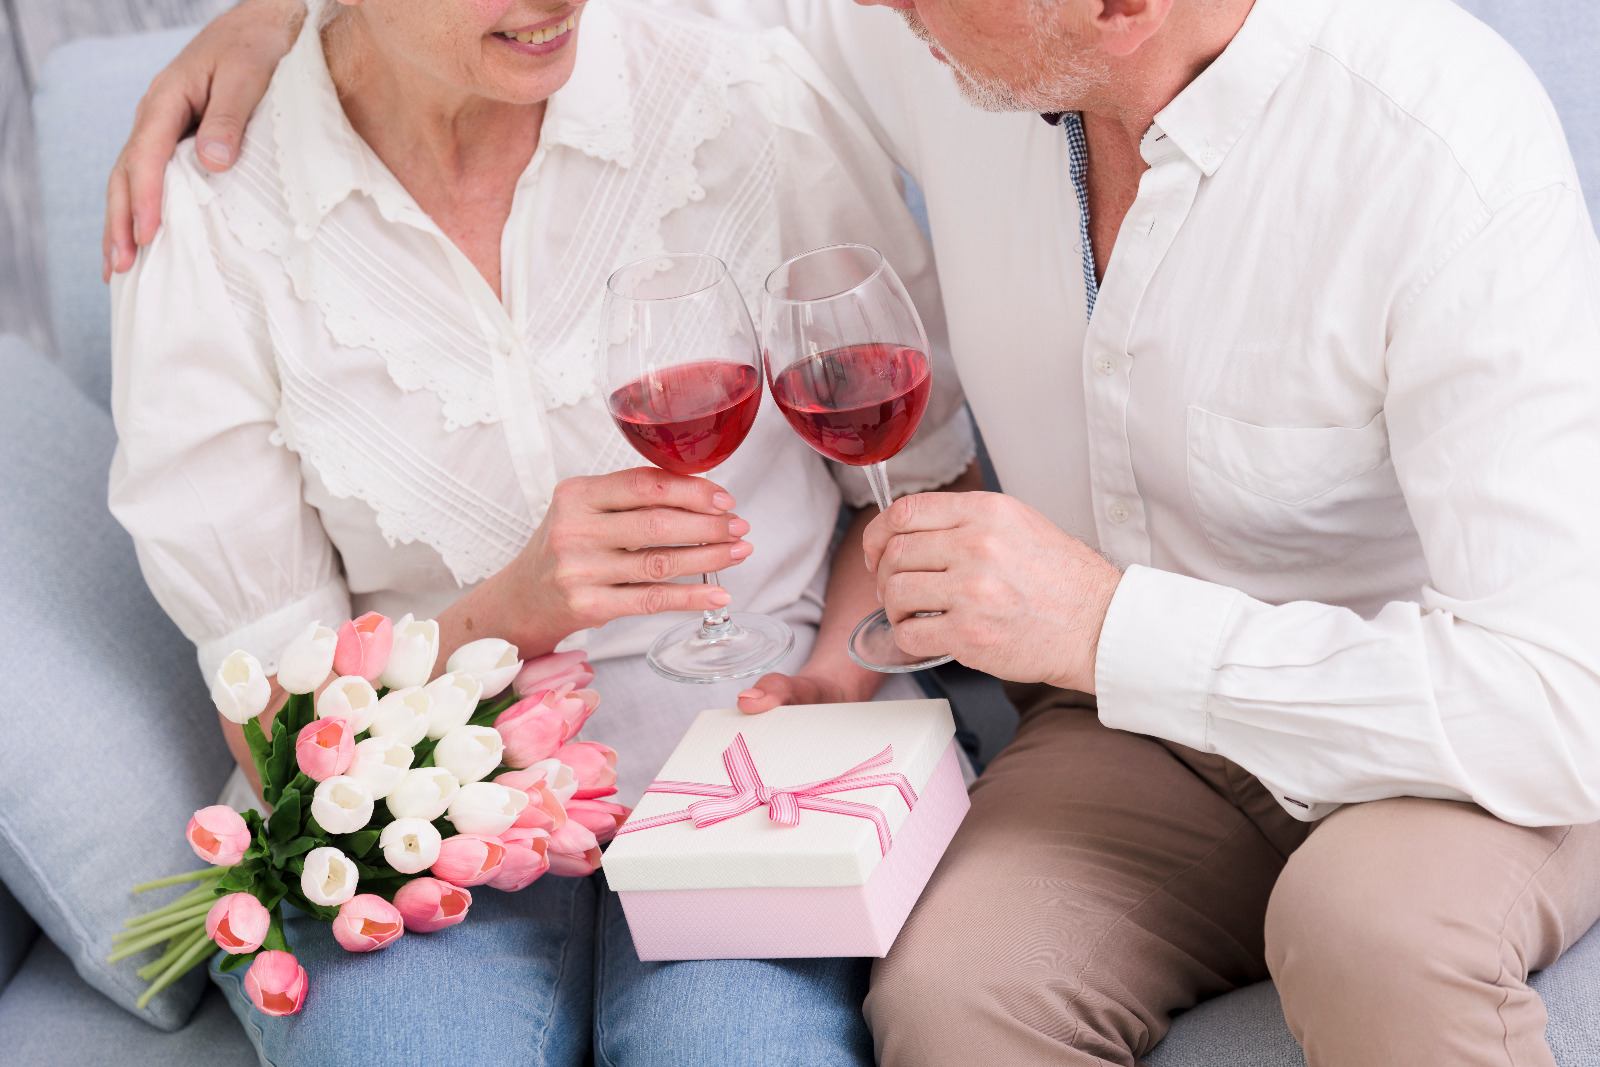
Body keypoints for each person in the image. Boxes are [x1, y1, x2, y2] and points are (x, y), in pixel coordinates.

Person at [109, 0, 1600, 1065]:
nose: (878, 8)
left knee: (1364, 923)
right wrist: (295, 21)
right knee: (954, 994)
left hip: (1437, 729)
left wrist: (1094, 626)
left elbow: (1561, 699)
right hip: (1131, 737)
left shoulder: (1429, 139)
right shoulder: (961, 41)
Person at [103, 0, 978, 1063]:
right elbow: (274, 732)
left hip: (761, 772)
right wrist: (499, 619)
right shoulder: (211, 221)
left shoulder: (740, 97)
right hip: (418, 823)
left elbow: (913, 484)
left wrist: (834, 684)